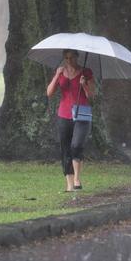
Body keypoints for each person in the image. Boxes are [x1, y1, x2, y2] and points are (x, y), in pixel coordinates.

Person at [46, 49, 95, 192]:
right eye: (66, 58)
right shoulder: (60, 72)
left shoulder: (86, 72)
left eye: (72, 58)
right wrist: (56, 75)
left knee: (76, 145)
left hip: (82, 114)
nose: (69, 61)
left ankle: (77, 178)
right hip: (64, 114)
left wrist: (84, 84)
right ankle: (69, 184)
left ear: (77, 58)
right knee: (65, 149)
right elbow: (49, 93)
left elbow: (91, 95)